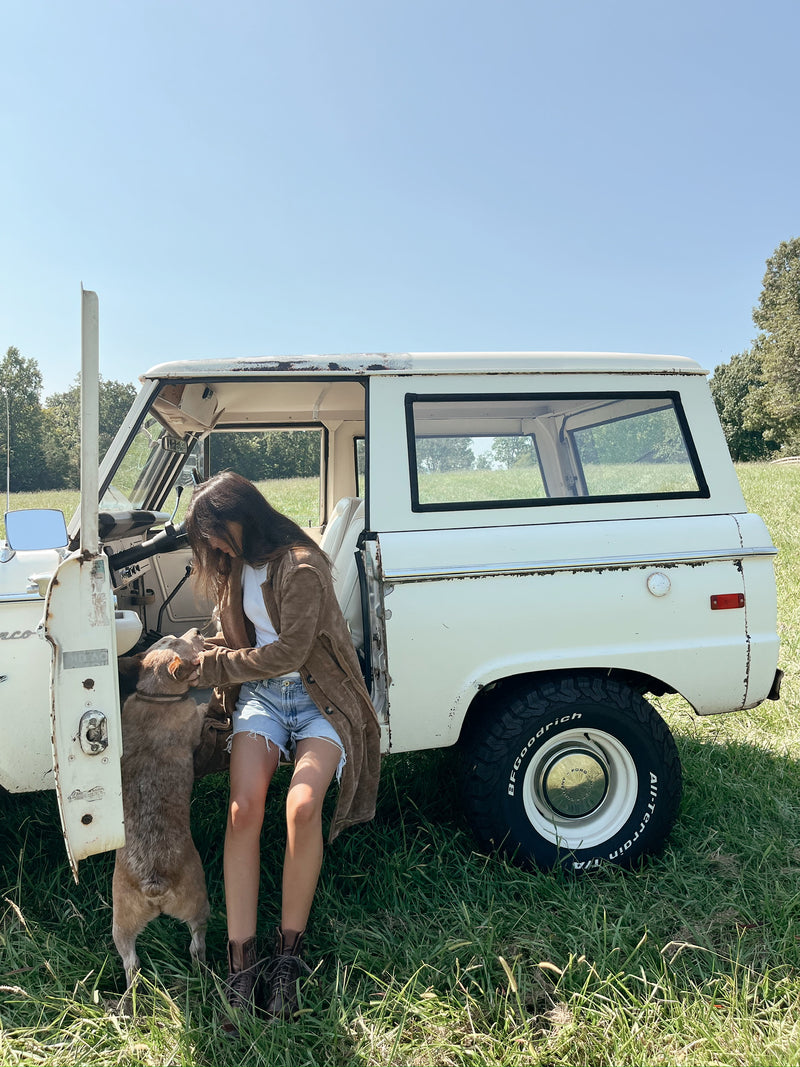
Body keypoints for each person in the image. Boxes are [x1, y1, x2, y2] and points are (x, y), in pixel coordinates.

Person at [184, 471, 381, 1027]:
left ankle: (288, 959)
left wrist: (213, 665)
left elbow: (292, 652)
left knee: (301, 807)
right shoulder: (234, 569)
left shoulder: (301, 566)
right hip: (264, 698)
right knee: (243, 809)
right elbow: (250, 642)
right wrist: (198, 649)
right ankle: (242, 963)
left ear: (243, 517)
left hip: (321, 697)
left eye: (216, 534)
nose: (214, 547)